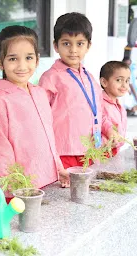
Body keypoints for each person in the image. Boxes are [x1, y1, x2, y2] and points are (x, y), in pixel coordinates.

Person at [0, 25, 69, 202]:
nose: (22, 66)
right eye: (13, 58)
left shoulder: (39, 93)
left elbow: (49, 136)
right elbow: (2, 148)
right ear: (0, 62)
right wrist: (16, 185)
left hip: (49, 180)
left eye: (29, 57)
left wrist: (59, 167)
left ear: (37, 60)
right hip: (20, 189)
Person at [39, 12, 117, 169]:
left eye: (80, 43)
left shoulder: (91, 79)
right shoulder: (50, 78)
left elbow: (99, 113)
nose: (73, 50)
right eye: (66, 43)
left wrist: (110, 131)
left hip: (91, 151)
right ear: (56, 46)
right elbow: (40, 119)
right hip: (63, 154)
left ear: (88, 46)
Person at [100, 61, 130, 154]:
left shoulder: (118, 105)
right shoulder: (99, 102)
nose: (124, 85)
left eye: (127, 81)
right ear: (104, 82)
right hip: (103, 152)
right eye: (119, 80)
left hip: (115, 150)